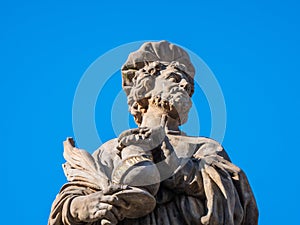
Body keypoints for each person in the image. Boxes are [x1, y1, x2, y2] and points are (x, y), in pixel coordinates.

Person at [48, 41, 258, 225]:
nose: (185, 85)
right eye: (175, 77)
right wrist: (85, 205)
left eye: (190, 88)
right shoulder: (110, 150)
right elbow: (68, 203)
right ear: (146, 84)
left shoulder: (203, 147)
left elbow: (235, 201)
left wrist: (176, 167)